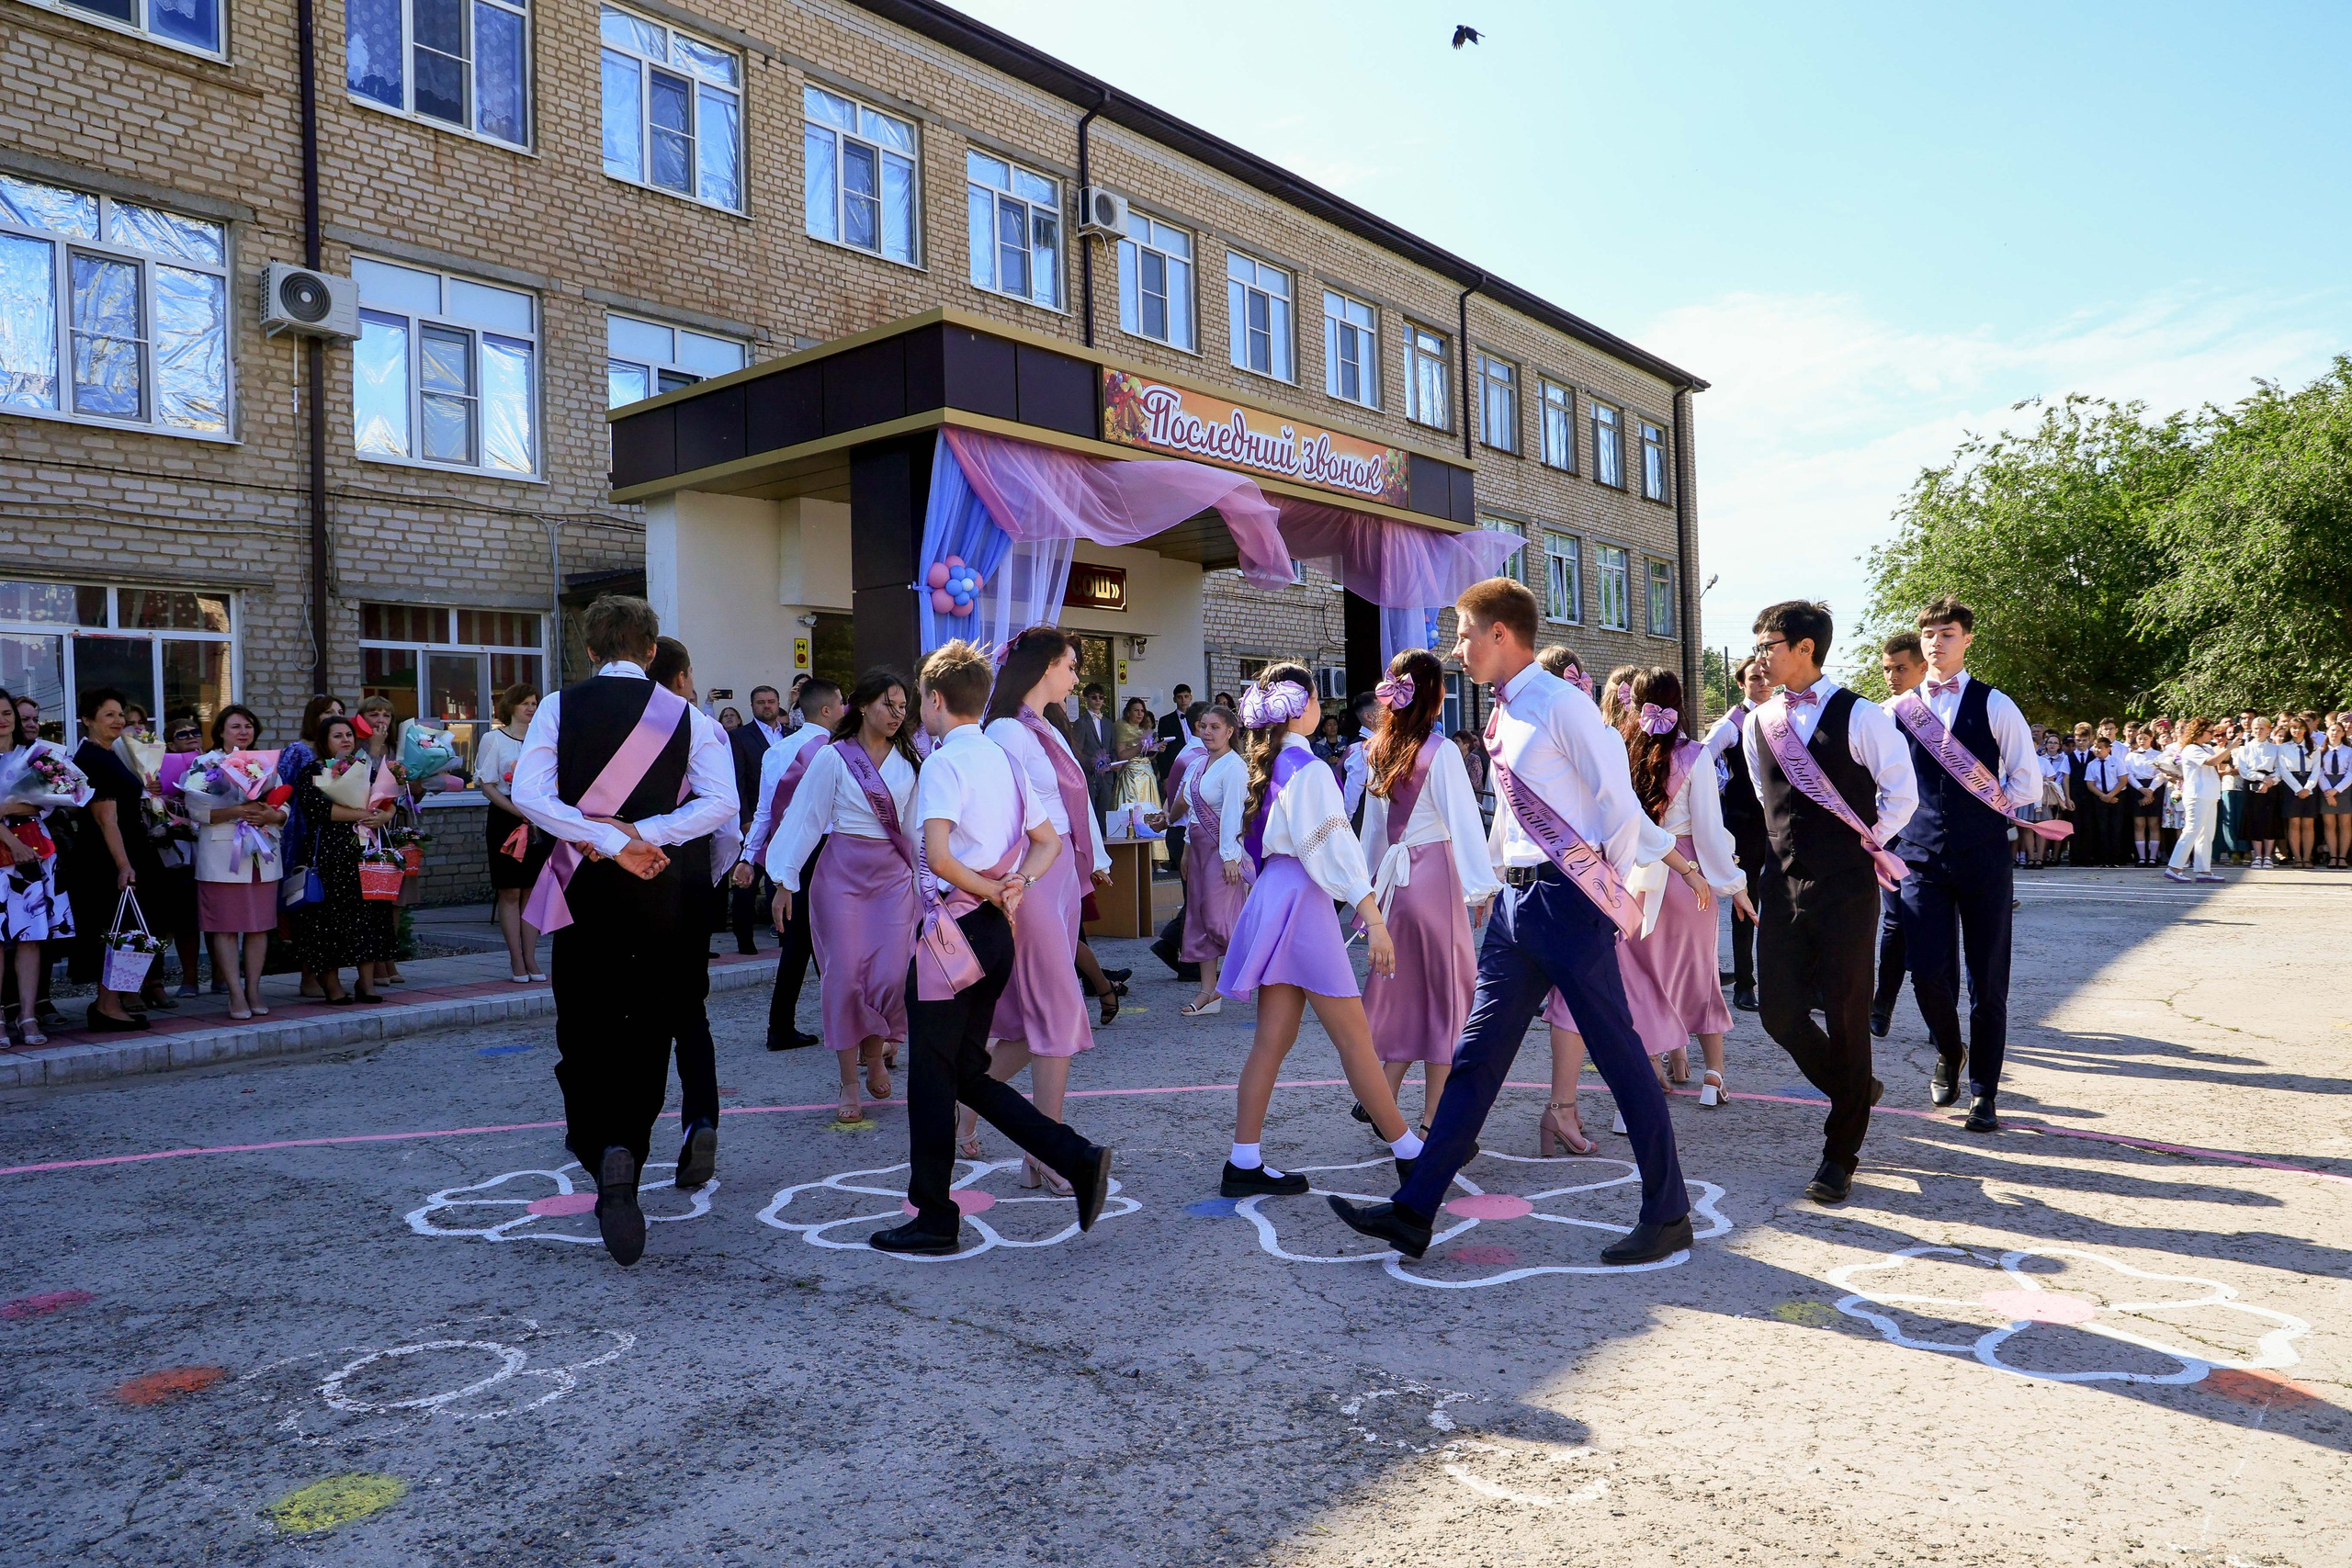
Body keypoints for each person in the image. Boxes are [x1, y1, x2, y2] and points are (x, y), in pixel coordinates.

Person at [1329, 581, 1687, 1263]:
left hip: (1570, 901)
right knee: (1476, 1056)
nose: (1456, 647)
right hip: (1518, 906)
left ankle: (1668, 1212)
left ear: (1501, 634)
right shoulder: (1500, 715)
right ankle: (1414, 1210)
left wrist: (1605, 895)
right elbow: (1510, 815)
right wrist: (1491, 883)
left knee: (1618, 1058)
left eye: (1465, 633)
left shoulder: (1562, 706)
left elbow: (1617, 803)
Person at [868, 638, 1114, 1256]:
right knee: (963, 1070)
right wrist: (1014, 887)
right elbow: (1048, 841)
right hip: (995, 932)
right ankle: (1071, 1155)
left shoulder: (945, 762)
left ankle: (934, 1216)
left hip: (953, 933)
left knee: (932, 1079)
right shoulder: (1003, 757)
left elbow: (942, 856)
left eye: (920, 699)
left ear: (934, 699)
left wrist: (989, 889)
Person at [510, 595, 737, 1265]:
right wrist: (645, 834)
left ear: (587, 651)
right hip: (659, 884)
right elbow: (723, 803)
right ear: (649, 650)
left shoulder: (557, 706)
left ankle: (602, 1145)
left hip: (583, 889)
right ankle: (629, 1150)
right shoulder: (687, 717)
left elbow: (529, 795)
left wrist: (600, 840)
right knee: (649, 1027)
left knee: (583, 1023)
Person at [1214, 662, 1423, 1199]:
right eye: (1314, 700)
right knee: (1354, 1038)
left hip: (1277, 895)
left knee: (1273, 1039)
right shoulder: (1308, 771)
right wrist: (1373, 917)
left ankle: (1244, 1159)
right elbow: (1334, 851)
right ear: (1301, 707)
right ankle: (1410, 1152)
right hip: (1303, 901)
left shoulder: (1273, 764)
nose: (1321, 709)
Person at [1743, 601, 1917, 1199]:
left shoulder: (1863, 715)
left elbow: (1902, 791)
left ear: (1804, 649)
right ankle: (1854, 1085)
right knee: (1778, 1012)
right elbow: (1771, 801)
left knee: (1846, 1016)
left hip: (1846, 888)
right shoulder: (1757, 721)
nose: (1762, 655)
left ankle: (1840, 1151)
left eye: (1770, 644)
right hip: (1781, 885)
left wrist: (1871, 840)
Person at [958, 627, 1109, 1192]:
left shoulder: (1046, 726)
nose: (1076, 677)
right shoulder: (1004, 730)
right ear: (1045, 666)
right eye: (1071, 665)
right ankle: (1046, 1152)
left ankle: (965, 1106)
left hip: (1060, 872)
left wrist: (1091, 857)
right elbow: (1002, 811)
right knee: (1060, 1009)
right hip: (1031, 874)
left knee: (1030, 1022)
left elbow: (1068, 800)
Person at [1889, 600, 2045, 1133]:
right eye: (1929, 633)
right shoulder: (1898, 710)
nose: (1937, 642)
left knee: (1987, 979)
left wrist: (1982, 809)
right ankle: (1948, 1050)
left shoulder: (1996, 704)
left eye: (1948, 633)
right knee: (1928, 973)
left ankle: (1984, 1091)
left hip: (1983, 858)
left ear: (1968, 640)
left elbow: (2026, 781)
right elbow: (1883, 782)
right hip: (1920, 859)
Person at [769, 668, 922, 1125]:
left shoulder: (911, 760)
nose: (896, 714)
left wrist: (931, 883)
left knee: (890, 975)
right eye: (886, 705)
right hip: (841, 876)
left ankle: (875, 1054)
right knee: (844, 976)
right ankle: (849, 1081)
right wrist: (784, 880)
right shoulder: (834, 758)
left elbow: (916, 830)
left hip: (894, 878)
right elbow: (804, 819)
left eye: (901, 706)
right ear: (862, 705)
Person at [1358, 650, 1500, 1132]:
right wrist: (1482, 889)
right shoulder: (1440, 752)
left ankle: (1385, 1097)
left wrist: (1368, 893)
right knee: (1449, 1003)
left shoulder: (1375, 749)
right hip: (1435, 879)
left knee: (1409, 996)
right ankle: (1434, 1121)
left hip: (1395, 886)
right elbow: (1464, 823)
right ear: (1436, 695)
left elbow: (1374, 833)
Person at [1613, 667, 1751, 1105]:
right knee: (1700, 976)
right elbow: (1711, 830)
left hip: (1634, 878)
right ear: (1681, 704)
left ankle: (1653, 1063)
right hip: (1688, 877)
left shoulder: (1618, 751)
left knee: (1643, 979)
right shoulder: (1695, 756)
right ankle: (1714, 1076)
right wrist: (1735, 884)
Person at [644, 637, 729, 1190]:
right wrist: (711, 878)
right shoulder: (704, 728)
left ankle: (627, 1134)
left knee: (636, 1014)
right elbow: (726, 822)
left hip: (627, 876)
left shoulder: (612, 729)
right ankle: (700, 1117)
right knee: (689, 1010)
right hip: (690, 876)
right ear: (679, 678)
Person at [735, 679, 843, 1051]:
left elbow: (764, 811)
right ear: (827, 709)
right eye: (841, 703)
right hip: (827, 851)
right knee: (829, 941)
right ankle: (832, 1023)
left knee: (800, 943)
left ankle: (785, 1025)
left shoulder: (777, 751)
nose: (845, 709)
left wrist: (749, 857)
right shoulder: (837, 750)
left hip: (787, 852)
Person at [64, 687, 166, 1031]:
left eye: (120, 714)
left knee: (130, 930)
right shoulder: (92, 759)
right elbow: (105, 819)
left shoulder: (110, 753)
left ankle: (111, 1001)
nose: (118, 720)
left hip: (127, 849)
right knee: (117, 930)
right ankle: (107, 1005)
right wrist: (124, 865)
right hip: (107, 857)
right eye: (109, 715)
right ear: (87, 720)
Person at [290, 715, 397, 1005]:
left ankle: (366, 984)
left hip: (363, 851)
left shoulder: (363, 767)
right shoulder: (311, 770)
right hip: (329, 854)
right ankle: (333, 986)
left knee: (368, 916)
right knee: (328, 921)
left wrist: (384, 815)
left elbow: (387, 799)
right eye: (337, 735)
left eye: (349, 734)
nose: (345, 740)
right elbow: (319, 810)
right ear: (324, 741)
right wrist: (365, 815)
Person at [189, 705, 287, 1021]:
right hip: (222, 855)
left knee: (259, 927)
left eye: (248, 726)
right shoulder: (204, 765)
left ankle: (254, 989)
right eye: (235, 726)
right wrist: (234, 811)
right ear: (220, 732)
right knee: (226, 927)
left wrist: (273, 815)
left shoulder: (268, 764)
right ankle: (234, 992)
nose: (243, 732)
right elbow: (196, 812)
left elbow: (286, 810)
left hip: (262, 852)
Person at [0, 689, 73, 1046]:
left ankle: (28, 1015)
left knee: (30, 937)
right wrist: (10, 832)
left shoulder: (36, 756)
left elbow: (56, 800)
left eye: (6, 712)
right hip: (6, 853)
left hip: (35, 851)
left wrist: (13, 807)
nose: (3, 719)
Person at [1706, 656, 1774, 1013]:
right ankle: (1745, 984)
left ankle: (1800, 986)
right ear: (1741, 683)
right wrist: (1722, 787)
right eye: (1754, 678)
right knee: (1745, 903)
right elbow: (1700, 760)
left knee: (1788, 902)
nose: (1763, 683)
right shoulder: (1731, 723)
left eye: (1766, 677)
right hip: (1743, 825)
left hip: (1779, 824)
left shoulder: (1783, 715)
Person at [1870, 633, 1927, 1038]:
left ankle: (1937, 1018)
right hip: (1892, 832)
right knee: (1895, 922)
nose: (1892, 676)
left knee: (1933, 927)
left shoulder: (1942, 714)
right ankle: (1882, 1006)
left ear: (1923, 667)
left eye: (1900, 668)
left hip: (1934, 835)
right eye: (1887, 669)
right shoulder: (1878, 714)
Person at [473, 683, 549, 983]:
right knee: (510, 890)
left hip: (537, 821)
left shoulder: (541, 739)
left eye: (534, 703)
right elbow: (487, 785)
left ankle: (532, 958)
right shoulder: (494, 738)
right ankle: (516, 960)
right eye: (525, 703)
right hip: (507, 819)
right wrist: (517, 810)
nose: (531, 708)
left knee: (532, 891)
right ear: (511, 706)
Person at [1175, 704, 1248, 1018]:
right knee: (1201, 918)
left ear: (1230, 731)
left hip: (1222, 852)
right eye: (1203, 726)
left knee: (1221, 921)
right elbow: (1191, 813)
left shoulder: (1234, 767)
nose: (1207, 732)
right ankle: (1209, 991)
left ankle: (1272, 972)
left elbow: (1233, 814)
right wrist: (1187, 851)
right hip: (1200, 851)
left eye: (1215, 727)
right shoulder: (1198, 765)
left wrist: (1230, 858)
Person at [276, 695, 343, 1000]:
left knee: (326, 908)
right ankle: (308, 975)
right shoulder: (298, 751)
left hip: (333, 837)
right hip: (301, 832)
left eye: (340, 713)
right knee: (306, 902)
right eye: (328, 712)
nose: (334, 717)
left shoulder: (343, 756)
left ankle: (320, 973)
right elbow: (281, 790)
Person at [724, 682, 790, 956]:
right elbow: (736, 779)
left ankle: (786, 938)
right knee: (747, 880)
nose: (767, 706)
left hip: (785, 821)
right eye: (761, 702)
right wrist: (744, 817)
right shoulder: (740, 737)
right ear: (752, 706)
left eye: (771, 701)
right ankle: (744, 940)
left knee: (783, 879)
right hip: (754, 819)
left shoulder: (791, 734)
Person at [151, 714, 204, 998]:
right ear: (170, 744)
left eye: (196, 732)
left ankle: (205, 977)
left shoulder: (213, 764)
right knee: (174, 918)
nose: (192, 737)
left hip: (206, 847)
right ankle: (163, 981)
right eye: (183, 735)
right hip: (172, 850)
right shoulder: (157, 768)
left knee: (198, 918)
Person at [2163, 717, 2226, 883]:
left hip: (2210, 794)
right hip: (2197, 795)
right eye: (2210, 731)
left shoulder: (2207, 748)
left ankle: (2203, 870)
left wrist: (2225, 748)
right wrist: (2230, 747)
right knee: (2192, 830)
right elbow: (2211, 762)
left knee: (2206, 834)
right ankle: (2174, 867)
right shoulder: (2191, 748)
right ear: (2199, 732)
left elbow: (2217, 763)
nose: (2213, 735)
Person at [2233, 716, 2284, 869]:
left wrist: (2270, 782)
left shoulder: (2276, 749)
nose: (2258, 731)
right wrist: (2262, 778)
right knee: (2254, 819)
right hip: (2253, 783)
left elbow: (2280, 769)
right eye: (2256, 728)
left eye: (2262, 728)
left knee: (2269, 819)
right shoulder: (2245, 748)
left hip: (2271, 785)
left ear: (2268, 730)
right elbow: (2244, 771)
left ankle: (2268, 855)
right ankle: (2258, 855)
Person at [2276, 716, 2319, 869]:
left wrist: (2308, 787)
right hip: (2291, 784)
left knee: (2308, 823)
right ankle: (2297, 858)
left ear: (2305, 729)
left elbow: (2316, 769)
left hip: (2309, 783)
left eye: (2300, 727)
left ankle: (2307, 858)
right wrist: (2298, 789)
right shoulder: (2283, 747)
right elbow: (2283, 770)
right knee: (2294, 823)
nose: (2297, 731)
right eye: (2294, 727)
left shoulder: (2313, 746)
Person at [1073, 682, 1116, 820]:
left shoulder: (1108, 723)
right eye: (1094, 697)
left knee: (1104, 815)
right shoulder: (1081, 722)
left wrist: (1114, 763)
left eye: (1101, 697)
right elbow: (1077, 750)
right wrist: (1093, 764)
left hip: (1107, 776)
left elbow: (1112, 748)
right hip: (1090, 775)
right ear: (1085, 699)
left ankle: (1104, 841)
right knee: (1090, 814)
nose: (1098, 700)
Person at [2126, 727, 2165, 867]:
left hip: (2154, 788)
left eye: (2145, 738)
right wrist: (2141, 789)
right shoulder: (2131, 755)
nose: (2142, 741)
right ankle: (2142, 857)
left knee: (2153, 824)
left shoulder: (2158, 754)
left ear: (2151, 738)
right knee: (2139, 824)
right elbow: (2129, 774)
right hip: (2137, 788)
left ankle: (2153, 857)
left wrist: (2151, 790)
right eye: (2139, 738)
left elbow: (2161, 774)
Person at [2316, 718, 2351, 869]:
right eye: (2332, 730)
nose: (2335, 733)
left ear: (2343, 733)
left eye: (2338, 731)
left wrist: (2336, 790)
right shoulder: (2320, 751)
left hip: (2344, 787)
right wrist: (2328, 792)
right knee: (2329, 825)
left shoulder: (2349, 751)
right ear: (2327, 732)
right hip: (2325, 787)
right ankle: (2333, 856)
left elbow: (2351, 773)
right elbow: (2319, 772)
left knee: (2345, 825)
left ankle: (2342, 857)